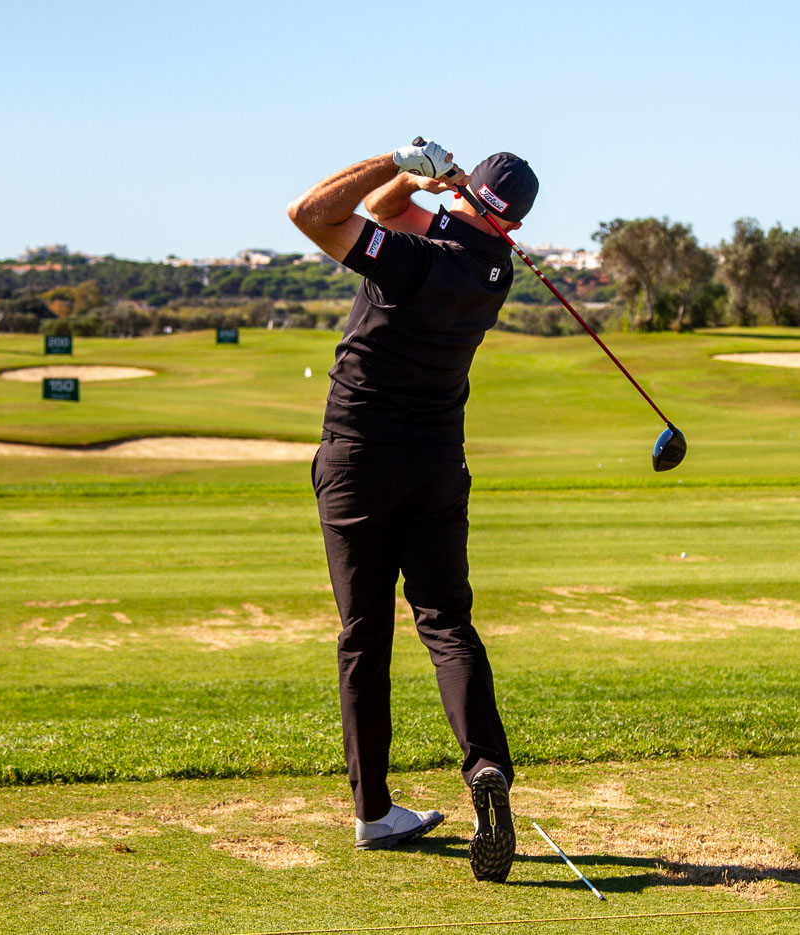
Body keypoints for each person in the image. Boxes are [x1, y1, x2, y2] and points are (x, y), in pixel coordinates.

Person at [285, 139, 539, 882]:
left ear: (461, 199)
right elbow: (394, 209)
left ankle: (373, 812)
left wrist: (399, 157)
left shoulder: (410, 259)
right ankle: (486, 764)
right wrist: (424, 184)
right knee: (448, 623)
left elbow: (315, 213)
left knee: (364, 633)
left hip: (359, 459)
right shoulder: (496, 270)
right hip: (435, 465)